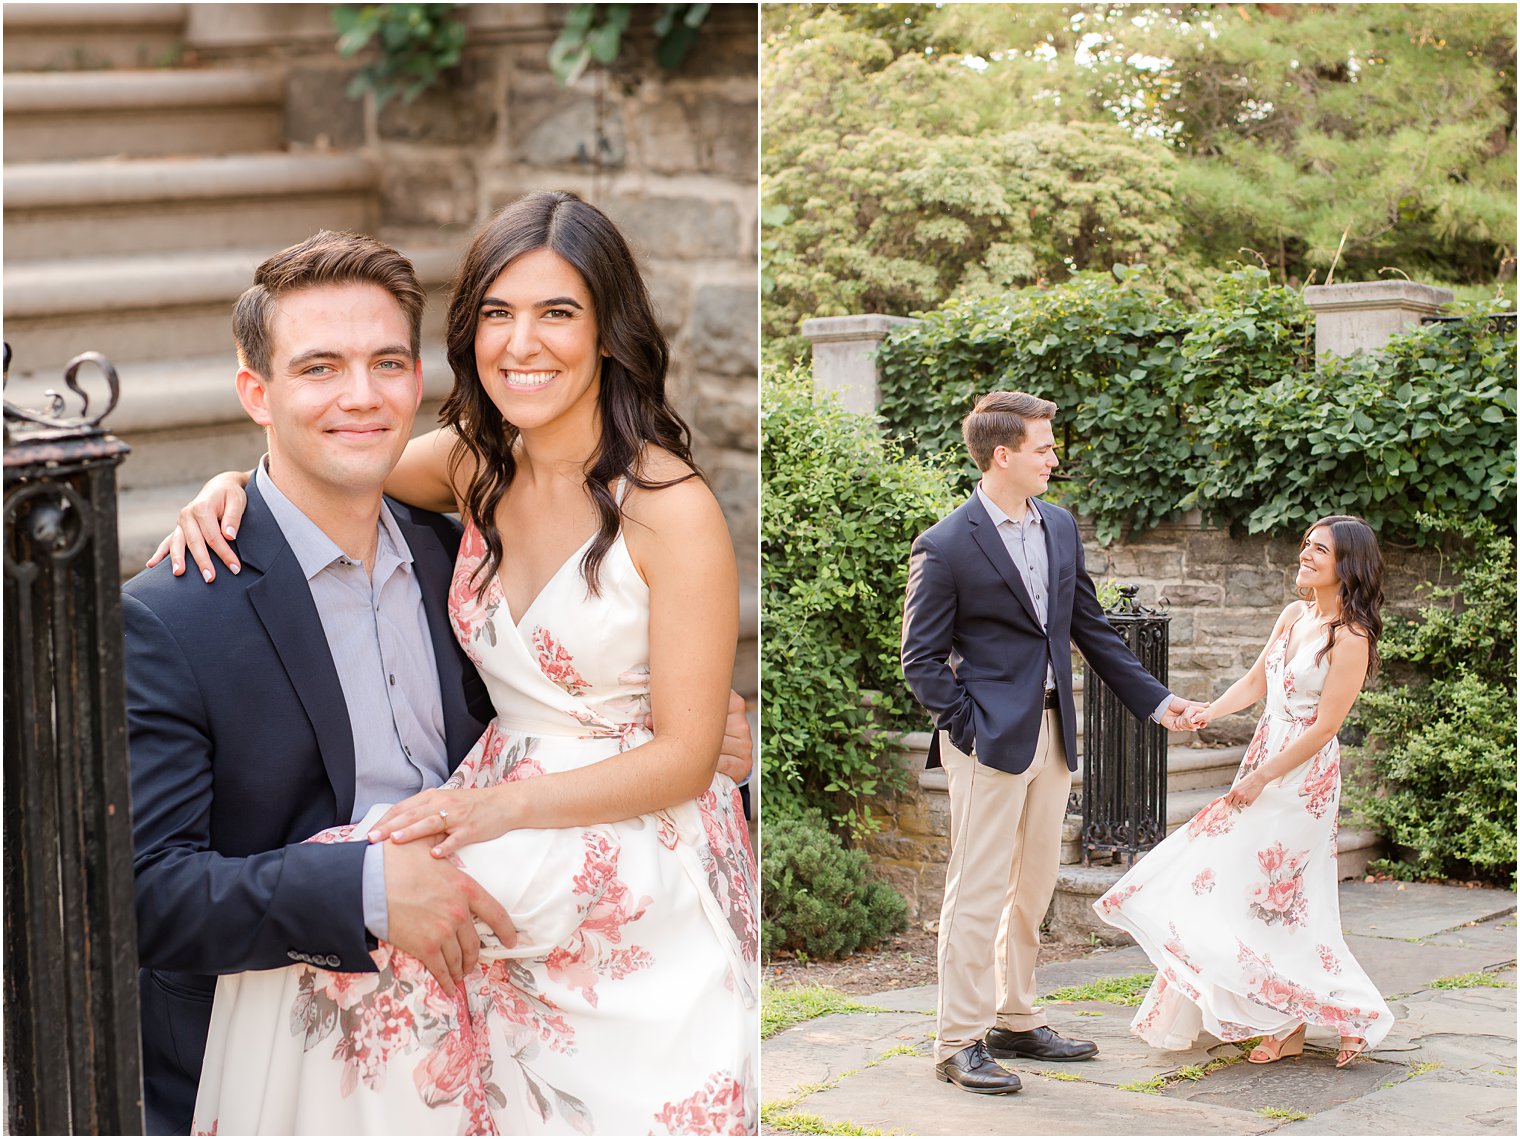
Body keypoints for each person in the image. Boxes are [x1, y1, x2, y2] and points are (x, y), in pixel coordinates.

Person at [130, 201, 756, 1135]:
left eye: (558, 311)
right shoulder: (475, 471)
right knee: (360, 909)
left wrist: (496, 807)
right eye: (498, 314)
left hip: (604, 832)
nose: (523, 342)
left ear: (608, 330)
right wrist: (229, 488)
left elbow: (687, 748)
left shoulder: (663, 505)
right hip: (484, 829)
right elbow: (340, 452)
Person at [900, 390, 1203, 1096]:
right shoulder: (945, 543)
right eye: (1043, 447)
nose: (1054, 457)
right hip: (987, 741)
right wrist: (969, 729)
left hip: (1054, 733)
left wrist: (1158, 702)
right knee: (974, 893)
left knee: (1031, 886)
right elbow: (920, 658)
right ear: (1002, 454)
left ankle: (1014, 1016)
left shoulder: (1060, 526)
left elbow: (1091, 629)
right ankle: (957, 1040)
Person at [1094, 515, 1393, 1069]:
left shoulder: (1351, 637)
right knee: (1243, 890)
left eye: (1319, 549)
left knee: (1282, 900)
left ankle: (1330, 1013)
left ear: (1346, 565)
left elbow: (1326, 728)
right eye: (1306, 544)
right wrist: (1206, 712)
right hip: (1264, 755)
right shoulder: (1293, 615)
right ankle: (1288, 1017)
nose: (1305, 554)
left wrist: (1262, 777)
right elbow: (1257, 683)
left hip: (1300, 777)